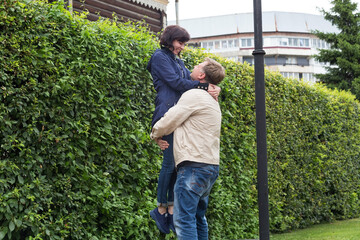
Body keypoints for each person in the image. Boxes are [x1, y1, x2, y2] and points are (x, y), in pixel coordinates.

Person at [147, 25, 220, 234]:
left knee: (176, 164)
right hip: (168, 112)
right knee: (170, 164)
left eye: (184, 43)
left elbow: (195, 79)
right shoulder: (160, 57)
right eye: (180, 42)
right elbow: (177, 83)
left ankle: (169, 208)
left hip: (178, 114)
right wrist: (205, 87)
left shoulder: (178, 60)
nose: (182, 47)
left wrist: (213, 85)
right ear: (170, 40)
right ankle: (162, 208)